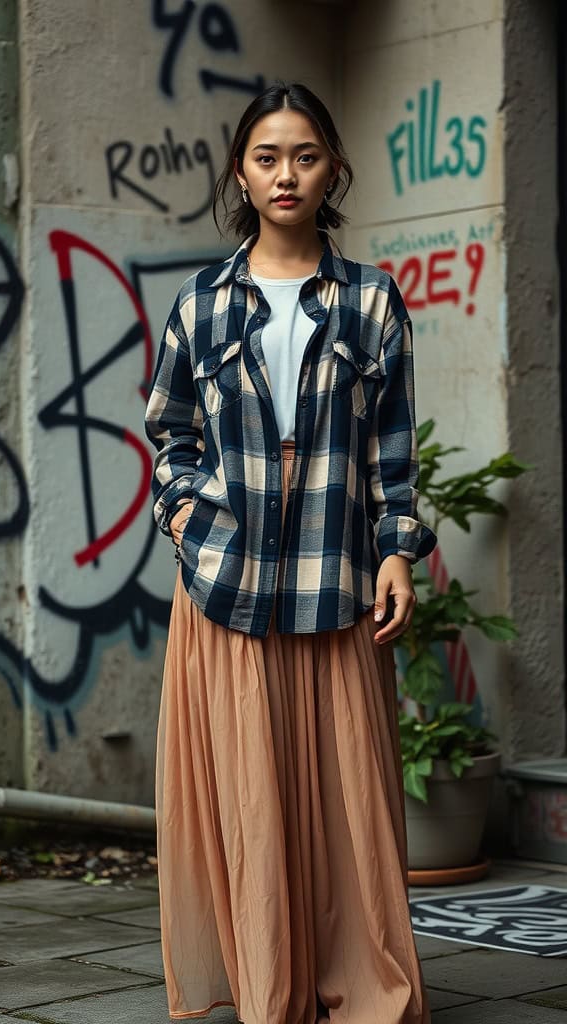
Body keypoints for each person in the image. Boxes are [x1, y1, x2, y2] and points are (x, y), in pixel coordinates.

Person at [145, 81, 436, 1024]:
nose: (285, 174)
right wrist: (188, 522)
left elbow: (395, 452)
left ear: (333, 170)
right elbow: (171, 438)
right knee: (253, 809)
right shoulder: (201, 305)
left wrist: (397, 554)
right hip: (228, 590)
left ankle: (362, 985)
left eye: (304, 156)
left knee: (346, 811)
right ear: (241, 170)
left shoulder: (371, 304)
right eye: (267, 156)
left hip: (336, 586)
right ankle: (269, 988)